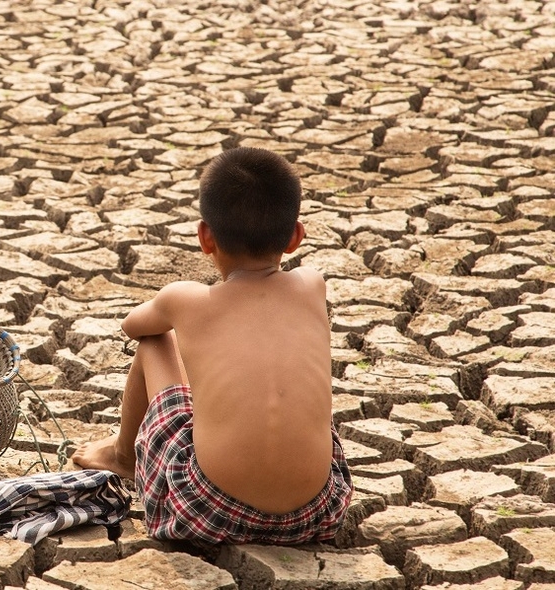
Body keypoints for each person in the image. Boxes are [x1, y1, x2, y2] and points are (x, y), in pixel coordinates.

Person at [72, 147, 352, 545]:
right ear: (295, 237)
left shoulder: (186, 300)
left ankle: (122, 456)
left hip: (206, 511)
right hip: (316, 514)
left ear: (205, 236)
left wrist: (179, 314)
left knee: (155, 341)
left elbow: (133, 326)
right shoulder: (312, 285)